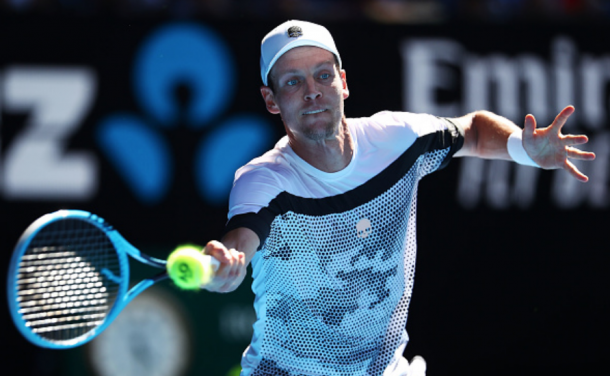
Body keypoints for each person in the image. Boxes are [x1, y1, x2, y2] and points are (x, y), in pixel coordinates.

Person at [200, 20, 596, 376]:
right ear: (271, 100)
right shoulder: (264, 180)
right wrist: (226, 267)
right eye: (293, 82)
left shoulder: (396, 139)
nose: (312, 93)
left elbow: (472, 129)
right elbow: (240, 240)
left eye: (323, 76)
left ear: (343, 81)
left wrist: (520, 147)